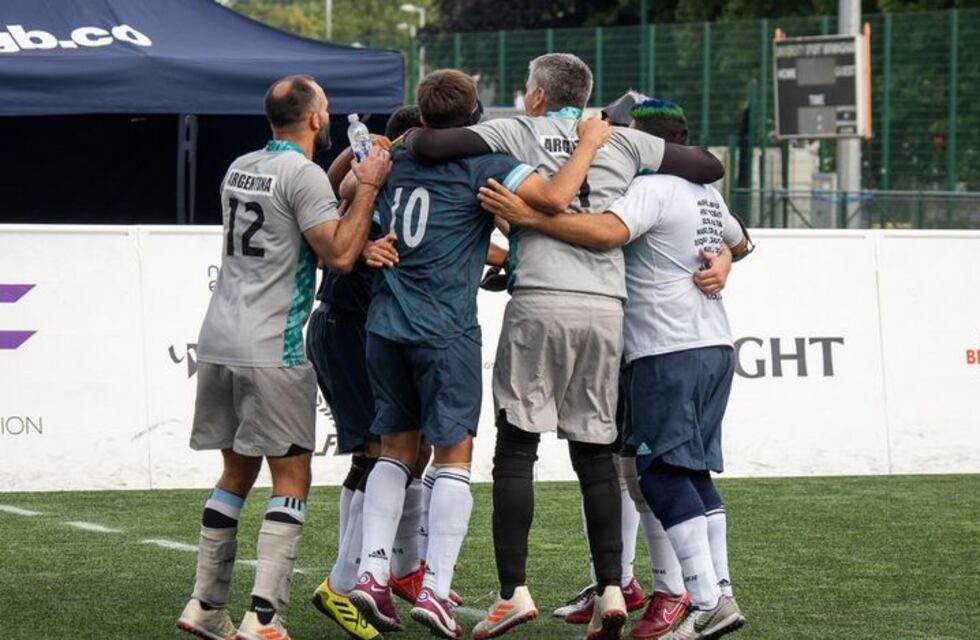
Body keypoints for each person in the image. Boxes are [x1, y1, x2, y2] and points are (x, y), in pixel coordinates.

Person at [407, 54, 724, 640]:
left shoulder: (516, 128)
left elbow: (427, 144)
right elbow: (707, 164)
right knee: (596, 454)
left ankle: (513, 592)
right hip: (607, 309)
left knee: (517, 448)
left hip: (541, 301)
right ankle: (610, 588)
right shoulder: (624, 140)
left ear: (536, 96)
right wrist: (618, 140)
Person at [348, 68, 612, 640]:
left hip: (385, 324)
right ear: (474, 116)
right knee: (452, 457)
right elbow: (558, 197)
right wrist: (589, 144)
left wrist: (372, 222)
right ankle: (437, 590)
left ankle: (371, 575)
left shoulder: (395, 157)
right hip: (445, 330)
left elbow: (348, 192)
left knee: (394, 450)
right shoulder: (485, 162)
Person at [477, 97, 751, 640]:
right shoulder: (708, 195)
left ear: (650, 147)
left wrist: (530, 218)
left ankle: (693, 597)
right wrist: (723, 261)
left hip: (662, 347)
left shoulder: (648, 188)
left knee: (654, 473)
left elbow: (604, 233)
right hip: (714, 343)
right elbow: (741, 243)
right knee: (672, 470)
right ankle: (676, 588)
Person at [176, 74, 391, 640]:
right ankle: (264, 618)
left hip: (219, 340)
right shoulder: (302, 176)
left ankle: (205, 605)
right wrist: (367, 186)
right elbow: (338, 254)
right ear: (317, 118)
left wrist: (348, 161)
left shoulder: (241, 166)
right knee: (292, 475)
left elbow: (298, 228)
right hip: (274, 347)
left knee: (234, 472)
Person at [307, 105, 423, 640]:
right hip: (343, 326)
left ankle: (375, 574)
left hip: (355, 328)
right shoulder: (373, 179)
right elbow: (337, 232)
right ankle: (343, 581)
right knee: (380, 451)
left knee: (381, 452)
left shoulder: (390, 183)